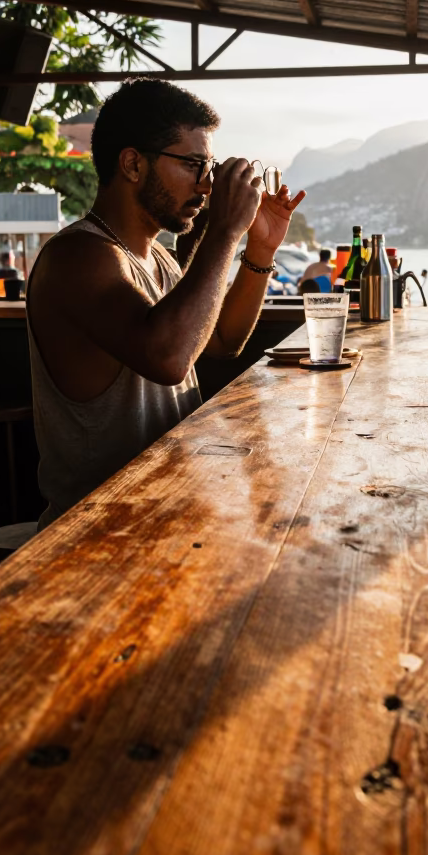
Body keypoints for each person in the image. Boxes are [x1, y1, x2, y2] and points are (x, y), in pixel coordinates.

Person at [27, 79, 306, 529]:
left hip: (165, 510)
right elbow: (170, 358)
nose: (207, 184)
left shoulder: (155, 255)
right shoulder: (78, 256)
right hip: (98, 531)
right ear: (133, 164)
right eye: (194, 165)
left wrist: (260, 251)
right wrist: (224, 231)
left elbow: (219, 340)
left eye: (209, 167)